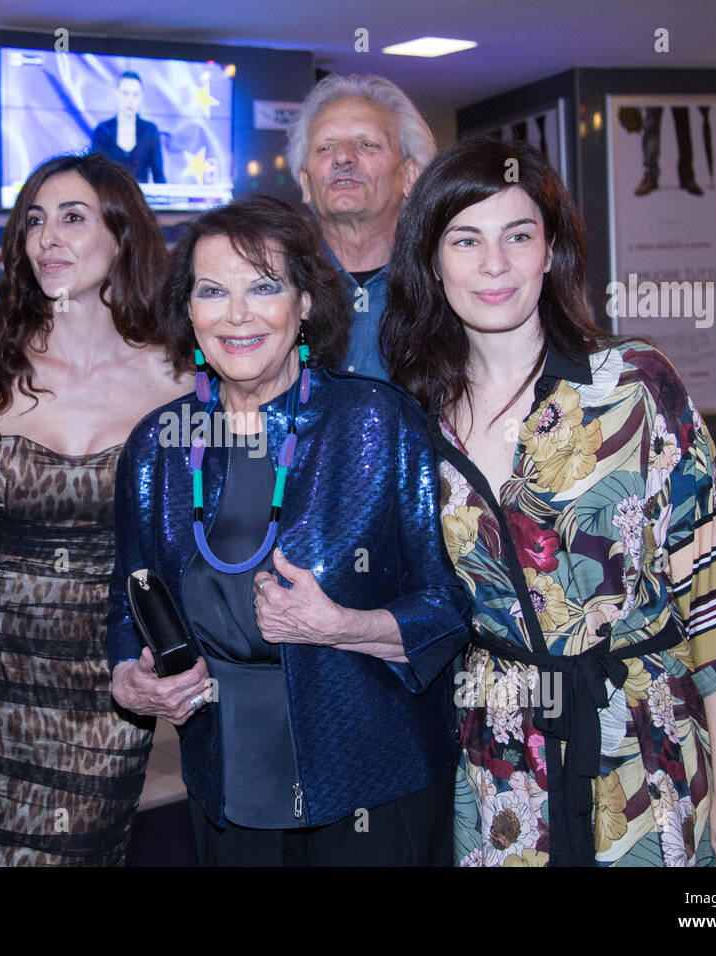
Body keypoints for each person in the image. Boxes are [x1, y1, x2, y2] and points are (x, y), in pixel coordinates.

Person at [383, 135, 716, 866]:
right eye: (466, 239)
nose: (494, 263)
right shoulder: (413, 416)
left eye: (518, 235)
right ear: (433, 262)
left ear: (551, 250)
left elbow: (712, 589)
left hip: (643, 745)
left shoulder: (632, 384)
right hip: (496, 764)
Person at [108, 196, 471, 866]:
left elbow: (450, 607)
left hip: (372, 770)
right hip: (227, 771)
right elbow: (126, 608)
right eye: (213, 291)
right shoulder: (158, 445)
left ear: (305, 303)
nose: (237, 314)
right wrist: (130, 679)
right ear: (189, 311)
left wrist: (341, 625)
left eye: (264, 287)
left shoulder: (377, 423)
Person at [0, 153, 191, 866]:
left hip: (109, 676)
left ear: (123, 235)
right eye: (34, 221)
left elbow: (194, 536)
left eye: (73, 217)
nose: (47, 237)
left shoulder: (179, 377)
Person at [285, 73, 436, 379]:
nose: (342, 157)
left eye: (367, 144)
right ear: (305, 183)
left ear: (410, 177)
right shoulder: (276, 284)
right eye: (326, 148)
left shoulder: (445, 283)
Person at [90, 71, 165, 184]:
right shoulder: (103, 131)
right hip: (110, 198)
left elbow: (158, 176)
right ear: (117, 94)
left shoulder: (150, 131)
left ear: (141, 98)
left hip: (141, 198)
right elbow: (94, 174)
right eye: (125, 93)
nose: (130, 100)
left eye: (135, 95)